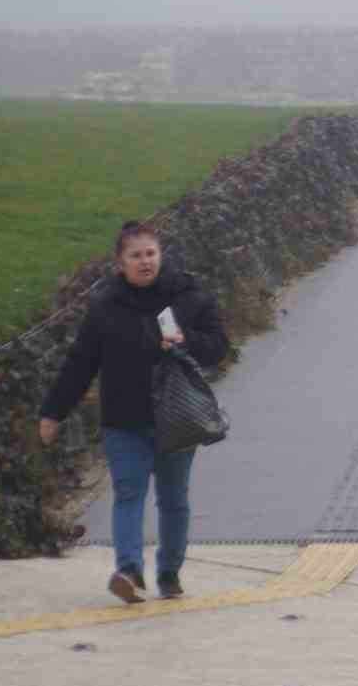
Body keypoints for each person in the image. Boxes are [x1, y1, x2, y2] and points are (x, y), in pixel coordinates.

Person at [39, 221, 230, 604]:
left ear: (160, 255)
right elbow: (81, 363)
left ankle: (169, 572)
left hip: (175, 419)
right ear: (120, 262)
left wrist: (186, 340)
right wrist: (52, 413)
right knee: (129, 493)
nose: (145, 261)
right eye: (136, 255)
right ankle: (128, 570)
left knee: (174, 499)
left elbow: (219, 346)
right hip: (124, 421)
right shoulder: (106, 307)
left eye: (150, 253)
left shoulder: (187, 296)